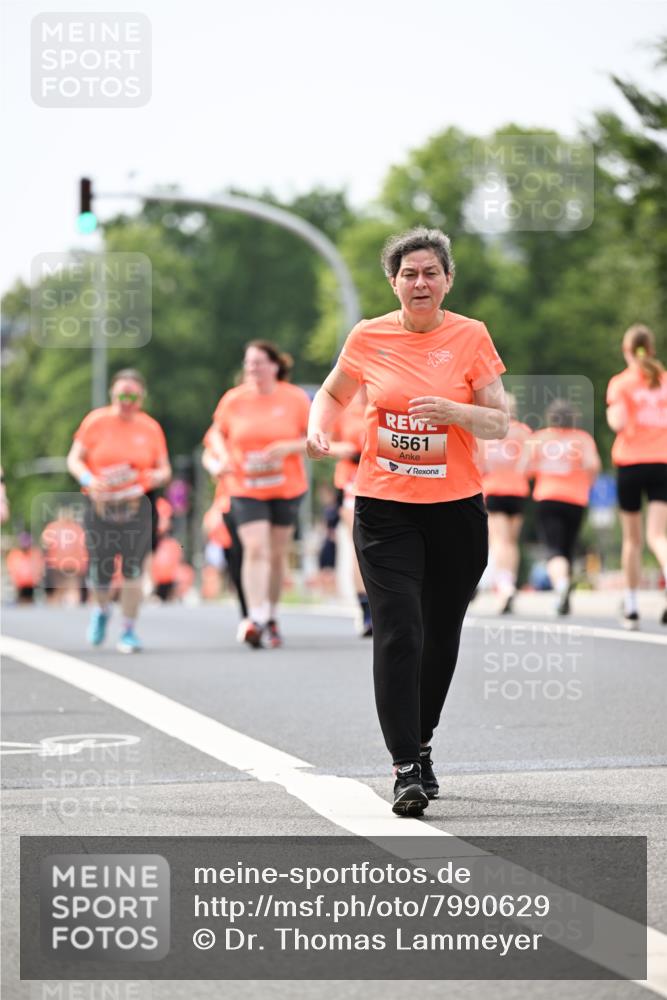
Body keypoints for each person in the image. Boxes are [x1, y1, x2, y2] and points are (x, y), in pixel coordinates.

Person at [307, 227, 508, 816]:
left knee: (440, 636)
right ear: (393, 282)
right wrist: (318, 427)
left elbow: (499, 421)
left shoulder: (470, 335)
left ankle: (421, 743)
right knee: (400, 631)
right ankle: (404, 767)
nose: (420, 282)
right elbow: (332, 394)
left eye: (430, 273)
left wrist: (454, 412)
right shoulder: (368, 336)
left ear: (448, 281)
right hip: (384, 506)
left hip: (455, 509)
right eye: (409, 273)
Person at [209, 341, 310, 648]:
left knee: (276, 554)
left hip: (285, 486)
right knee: (255, 548)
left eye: (259, 362)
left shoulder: (295, 398)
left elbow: (317, 439)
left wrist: (288, 447)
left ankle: (272, 615)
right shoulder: (234, 399)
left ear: (274, 366)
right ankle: (254, 617)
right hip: (244, 486)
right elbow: (216, 433)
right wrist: (222, 456)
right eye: (248, 363)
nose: (252, 368)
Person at [66, 369, 172, 652]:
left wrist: (156, 477)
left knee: (133, 568)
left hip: (137, 505)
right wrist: (89, 479)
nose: (127, 402)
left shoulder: (150, 428)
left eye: (133, 397)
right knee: (101, 567)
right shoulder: (96, 422)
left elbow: (165, 469)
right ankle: (102, 610)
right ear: (112, 394)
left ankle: (128, 629)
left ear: (142, 398)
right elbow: (74, 459)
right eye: (121, 396)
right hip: (101, 505)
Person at [606, 324, 667, 628]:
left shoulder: (622, 382)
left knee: (633, 539)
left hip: (631, 463)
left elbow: (617, 422)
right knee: (658, 535)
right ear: (651, 349)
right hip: (662, 463)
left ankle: (631, 605)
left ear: (626, 351)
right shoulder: (664, 380)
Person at [522, 399, 601, 616]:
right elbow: (592, 465)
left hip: (548, 497)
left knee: (553, 549)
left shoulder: (540, 438)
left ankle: (561, 586)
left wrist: (542, 468)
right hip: (576, 499)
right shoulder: (582, 438)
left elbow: (525, 468)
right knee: (567, 548)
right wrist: (587, 483)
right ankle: (564, 589)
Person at [477, 393, 531, 614]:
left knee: (499, 540)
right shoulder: (524, 432)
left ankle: (504, 588)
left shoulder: (485, 431)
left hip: (494, 489)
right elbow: (527, 464)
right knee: (511, 542)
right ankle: (509, 582)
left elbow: (480, 463)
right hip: (517, 490)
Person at [329, 389, 372, 634]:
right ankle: (366, 611)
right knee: (361, 543)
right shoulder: (344, 412)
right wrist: (341, 449)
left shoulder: (389, 403)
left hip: (385, 480)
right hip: (351, 482)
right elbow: (323, 441)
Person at [41, 508, 89, 605]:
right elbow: (84, 547)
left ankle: (54, 608)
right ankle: (73, 608)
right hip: (74, 564)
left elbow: (45, 544)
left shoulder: (53, 527)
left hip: (57, 564)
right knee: (73, 588)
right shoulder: (77, 528)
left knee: (57, 590)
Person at [7, 532, 44, 603]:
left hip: (31, 584)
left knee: (29, 601)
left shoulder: (34, 553)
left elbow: (39, 567)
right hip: (20, 584)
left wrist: (37, 579)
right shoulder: (15, 554)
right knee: (22, 601)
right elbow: (12, 569)